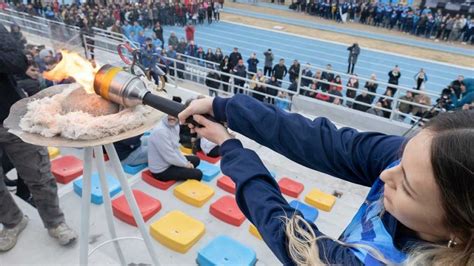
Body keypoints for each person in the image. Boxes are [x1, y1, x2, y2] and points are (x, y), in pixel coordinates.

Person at [179, 96, 474, 266]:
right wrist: (227, 108)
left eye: (406, 186)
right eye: (400, 160)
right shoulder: (427, 163)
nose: (385, 175)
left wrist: (231, 149)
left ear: (459, 232)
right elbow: (328, 143)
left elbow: (287, 231)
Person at [0, 22, 77, 252]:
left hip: (10, 117)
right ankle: (13, 221)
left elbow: (18, 60)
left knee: (38, 174)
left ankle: (55, 222)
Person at [148, 114, 202, 182]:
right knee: (198, 174)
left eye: (174, 115)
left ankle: (183, 172)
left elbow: (176, 148)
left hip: (170, 162)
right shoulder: (160, 131)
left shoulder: (176, 126)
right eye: (169, 114)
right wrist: (185, 164)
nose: (172, 117)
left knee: (196, 159)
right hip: (161, 170)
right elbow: (169, 156)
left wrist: (185, 162)